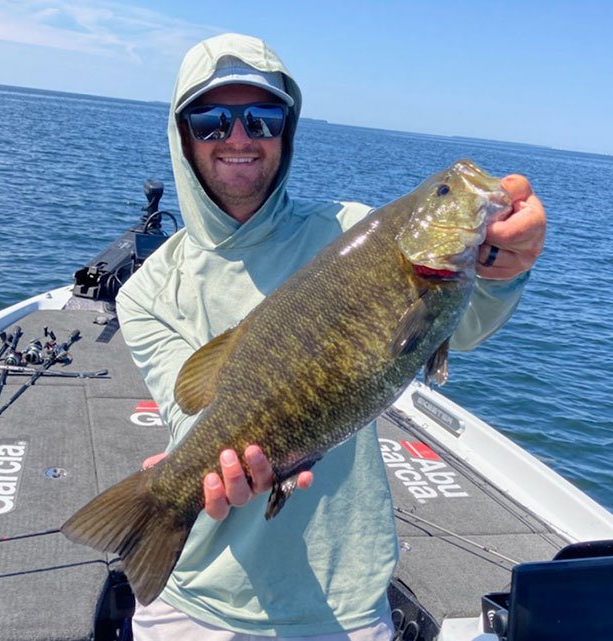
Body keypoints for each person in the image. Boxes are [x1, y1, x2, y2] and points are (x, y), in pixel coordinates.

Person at [115, 33, 546, 640]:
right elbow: (192, 416)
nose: (238, 137)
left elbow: (465, 327)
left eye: (262, 119)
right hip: (191, 606)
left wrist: (504, 269)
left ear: (286, 131)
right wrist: (194, 477)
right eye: (211, 120)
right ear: (182, 135)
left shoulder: (351, 230)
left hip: (345, 605)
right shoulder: (145, 292)